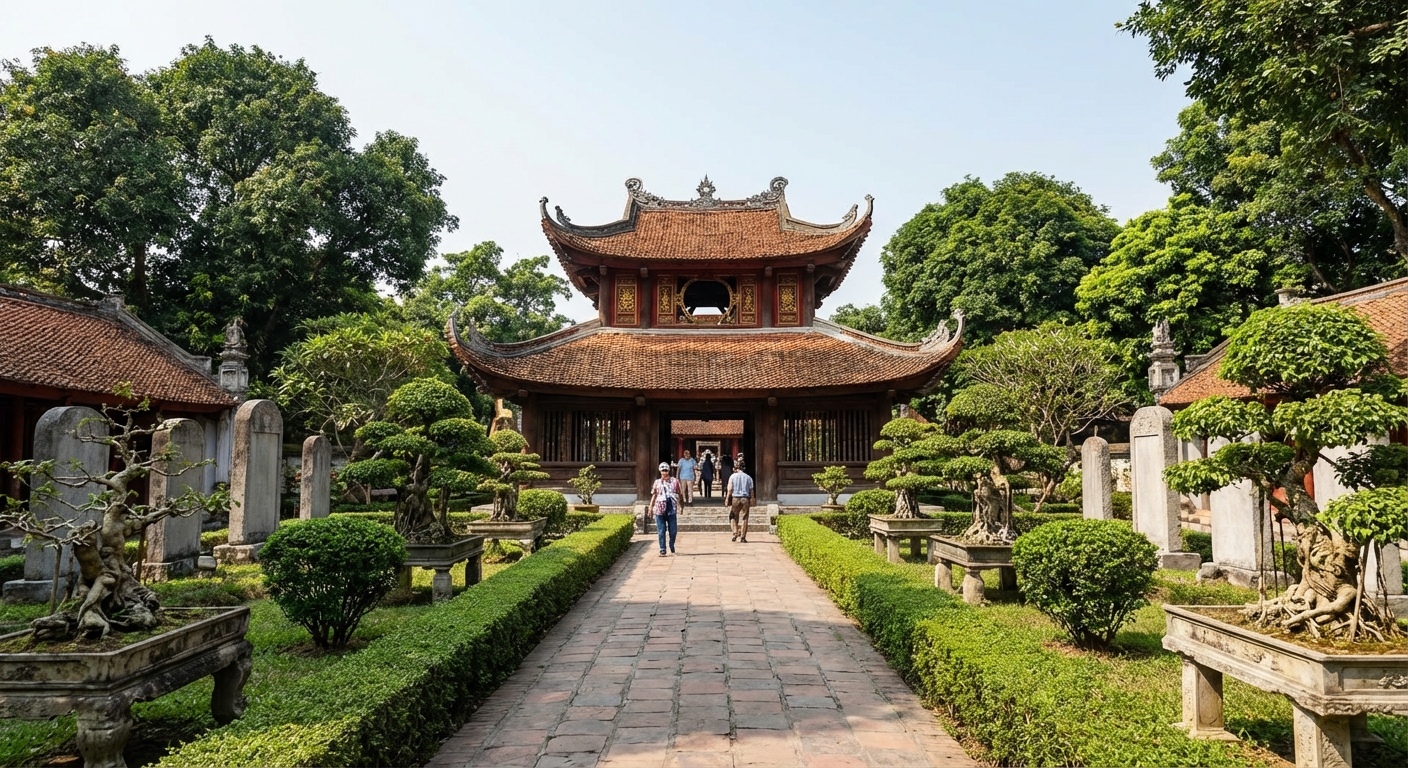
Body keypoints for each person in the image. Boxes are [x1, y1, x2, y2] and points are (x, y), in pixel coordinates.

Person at [649, 462, 680, 556]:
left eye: (665, 470)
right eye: (662, 471)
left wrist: (681, 506)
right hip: (659, 508)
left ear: (668, 471)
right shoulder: (657, 482)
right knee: (661, 531)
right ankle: (662, 549)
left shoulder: (675, 481)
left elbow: (679, 493)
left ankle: (671, 544)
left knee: (673, 531)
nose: (664, 472)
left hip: (671, 507)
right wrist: (650, 507)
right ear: (660, 471)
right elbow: (654, 495)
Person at [724, 463, 755, 543]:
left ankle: (735, 532)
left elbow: (730, 489)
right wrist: (752, 499)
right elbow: (751, 490)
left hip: (736, 498)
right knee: (745, 517)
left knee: (734, 516)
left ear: (737, 468)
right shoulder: (748, 478)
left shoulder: (733, 476)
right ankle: (743, 536)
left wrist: (727, 498)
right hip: (745, 498)